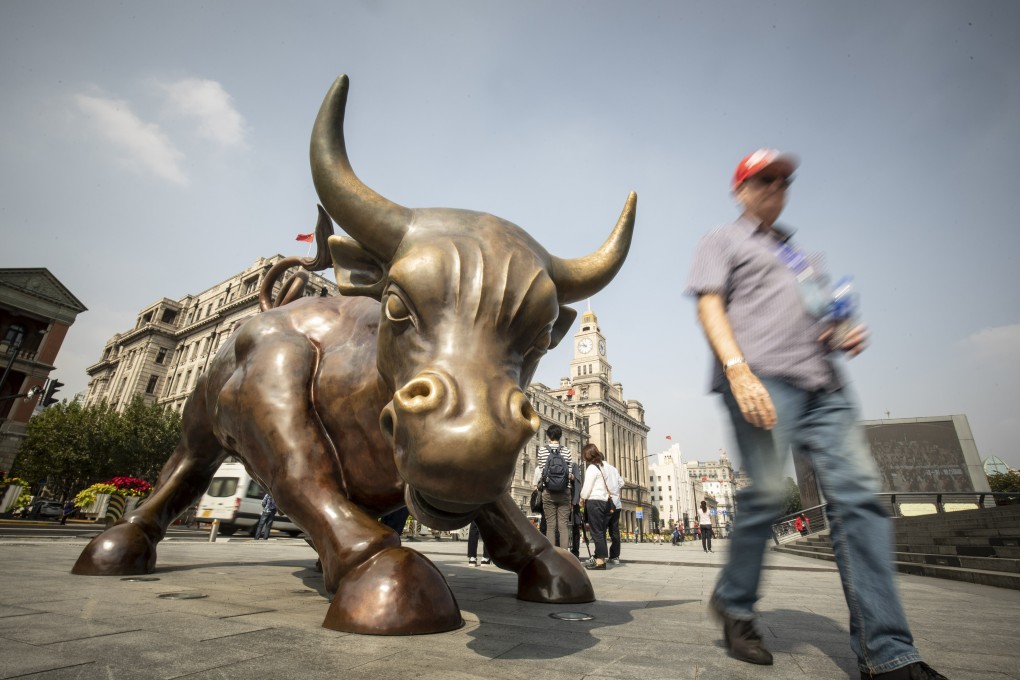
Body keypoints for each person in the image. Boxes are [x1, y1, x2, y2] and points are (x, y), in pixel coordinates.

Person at [685, 148, 946, 679]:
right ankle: (735, 604)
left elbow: (825, 320)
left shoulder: (804, 259)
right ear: (740, 188)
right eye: (763, 179)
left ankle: (890, 653)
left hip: (825, 387)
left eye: (784, 179)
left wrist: (843, 332)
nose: (775, 187)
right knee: (762, 495)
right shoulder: (722, 239)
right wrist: (737, 369)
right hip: (760, 380)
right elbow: (709, 303)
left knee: (860, 502)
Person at [532, 425, 573, 550]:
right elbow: (570, 474)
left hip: (548, 491)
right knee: (563, 526)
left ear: (548, 436)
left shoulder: (542, 451)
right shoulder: (566, 451)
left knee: (550, 525)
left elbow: (542, 470)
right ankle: (565, 555)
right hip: (565, 491)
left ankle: (552, 555)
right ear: (560, 436)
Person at [578, 443, 613, 570]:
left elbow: (587, 488)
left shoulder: (592, 468)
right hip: (604, 501)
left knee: (596, 532)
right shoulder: (602, 467)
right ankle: (600, 558)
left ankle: (600, 561)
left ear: (588, 455)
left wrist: (582, 497)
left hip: (595, 502)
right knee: (601, 531)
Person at [601, 458, 624, 564]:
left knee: (602, 530)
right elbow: (621, 483)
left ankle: (601, 555)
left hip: (605, 502)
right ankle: (615, 556)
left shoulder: (600, 468)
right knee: (614, 530)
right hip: (616, 502)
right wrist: (615, 489)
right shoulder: (614, 469)